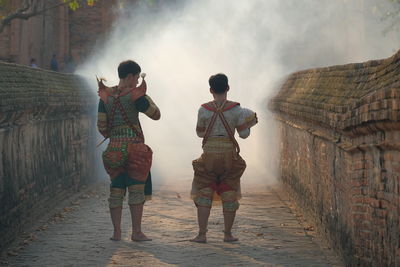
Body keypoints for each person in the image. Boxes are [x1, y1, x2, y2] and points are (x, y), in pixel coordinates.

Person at [97, 60, 160, 241]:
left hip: (114, 149)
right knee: (136, 190)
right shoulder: (135, 95)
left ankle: (117, 233)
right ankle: (136, 232)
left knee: (116, 190)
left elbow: (101, 126)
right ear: (131, 76)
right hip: (135, 149)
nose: (137, 83)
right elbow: (156, 114)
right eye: (136, 78)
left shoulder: (105, 96)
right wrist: (145, 96)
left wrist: (115, 134)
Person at [190, 73, 257, 243]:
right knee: (229, 192)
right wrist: (248, 124)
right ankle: (227, 234)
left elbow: (199, 133)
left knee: (204, 192)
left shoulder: (203, 109)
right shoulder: (236, 110)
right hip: (229, 156)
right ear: (228, 88)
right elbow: (243, 135)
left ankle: (202, 234)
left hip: (208, 156)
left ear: (211, 90)